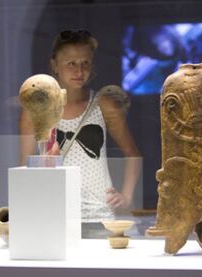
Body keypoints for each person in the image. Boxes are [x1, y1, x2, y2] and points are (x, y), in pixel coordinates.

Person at [19, 29, 141, 227]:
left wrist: (126, 197)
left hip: (99, 214)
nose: (79, 71)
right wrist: (45, 163)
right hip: (54, 213)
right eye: (71, 64)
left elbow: (132, 154)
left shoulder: (104, 105)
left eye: (85, 63)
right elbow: (24, 167)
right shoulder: (35, 110)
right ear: (54, 65)